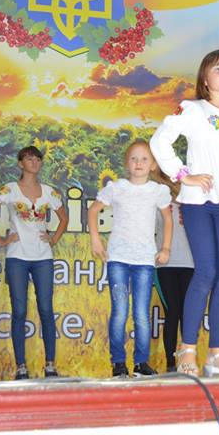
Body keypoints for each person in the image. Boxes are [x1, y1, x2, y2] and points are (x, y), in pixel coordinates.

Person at [150, 49, 219, 378]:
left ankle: (217, 354)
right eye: (218, 69)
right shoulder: (192, 109)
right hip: (198, 203)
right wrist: (183, 176)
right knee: (207, 271)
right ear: (205, 78)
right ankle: (186, 349)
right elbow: (160, 142)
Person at [0, 146, 68, 380]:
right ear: (20, 163)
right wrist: (0, 240)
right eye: (29, 158)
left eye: (38, 159)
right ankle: (21, 367)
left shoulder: (49, 192)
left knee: (46, 309)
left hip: (43, 257)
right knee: (19, 311)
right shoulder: (10, 189)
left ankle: (50, 365)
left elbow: (64, 218)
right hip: (17, 256)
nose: (34, 162)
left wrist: (54, 239)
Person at [88, 140, 172, 378]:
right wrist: (96, 240)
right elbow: (93, 211)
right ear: (127, 163)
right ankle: (118, 362)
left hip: (144, 260)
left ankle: (141, 362)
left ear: (153, 165)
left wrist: (165, 248)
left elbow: (167, 219)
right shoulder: (117, 188)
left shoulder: (157, 191)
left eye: (144, 159)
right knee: (120, 311)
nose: (139, 163)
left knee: (141, 314)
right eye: (134, 158)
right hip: (118, 258)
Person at [153, 171, 194, 372]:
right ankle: (170, 364)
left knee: (188, 314)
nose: (175, 184)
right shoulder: (158, 204)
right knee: (172, 312)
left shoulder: (193, 205)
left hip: (190, 265)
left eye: (178, 181)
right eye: (171, 180)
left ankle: (187, 361)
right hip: (165, 266)